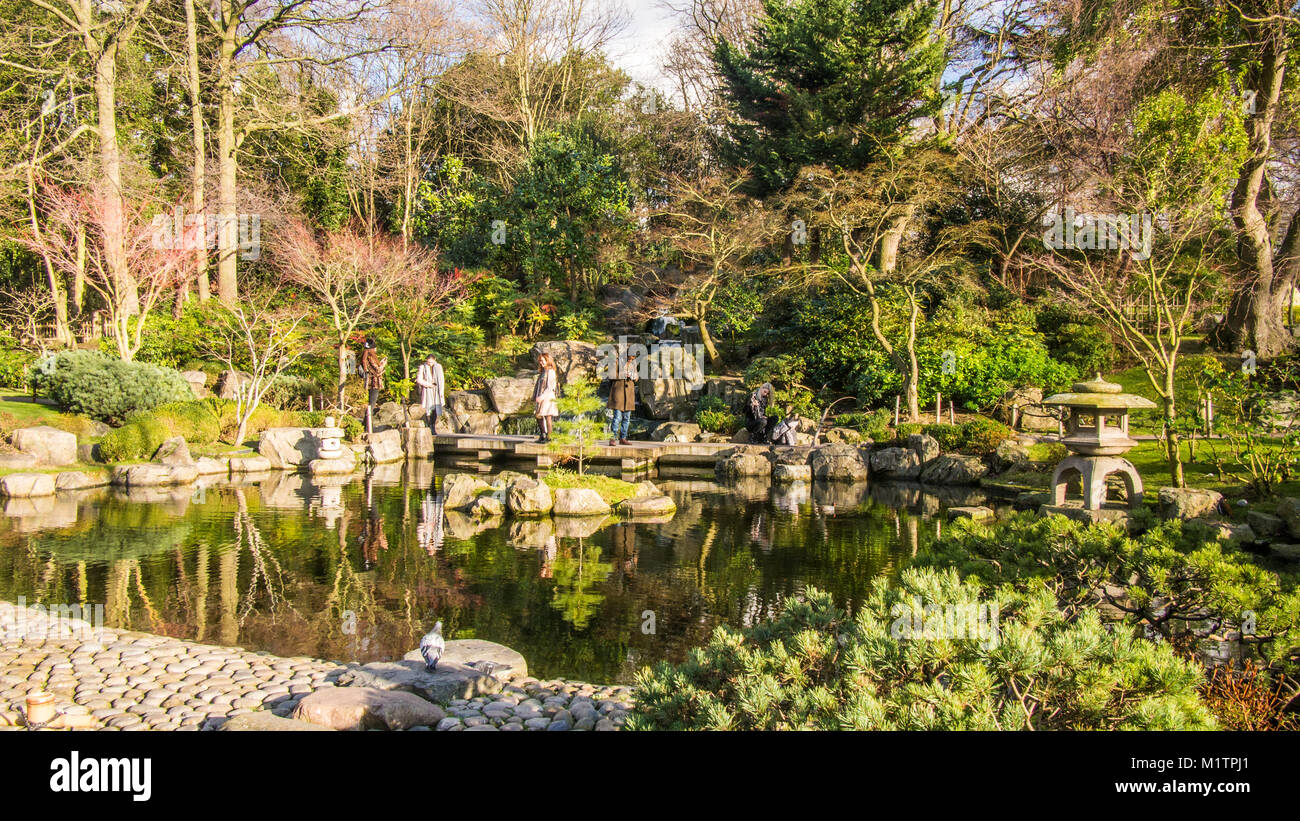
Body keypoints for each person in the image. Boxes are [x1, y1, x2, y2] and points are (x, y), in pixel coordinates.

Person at [607, 349, 637, 446]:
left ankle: (623, 438)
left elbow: (637, 377)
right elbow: (611, 376)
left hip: (629, 395)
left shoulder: (633, 364)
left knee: (626, 418)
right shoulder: (616, 362)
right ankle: (612, 438)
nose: (631, 360)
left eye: (633, 358)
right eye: (630, 358)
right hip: (618, 394)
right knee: (617, 417)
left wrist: (633, 376)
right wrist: (622, 375)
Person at [415, 352, 445, 433]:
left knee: (435, 408)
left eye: (431, 362)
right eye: (428, 362)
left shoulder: (438, 367)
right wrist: (429, 385)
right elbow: (419, 380)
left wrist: (441, 391)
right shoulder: (422, 367)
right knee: (428, 409)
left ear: (434, 360)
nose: (430, 364)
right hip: (428, 390)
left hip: (437, 390)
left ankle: (433, 426)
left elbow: (441, 379)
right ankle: (429, 426)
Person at [533, 352, 558, 443]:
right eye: (540, 361)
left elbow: (550, 387)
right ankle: (543, 434)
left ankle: (549, 437)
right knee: (538, 415)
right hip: (541, 396)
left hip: (547, 396)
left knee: (548, 416)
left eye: (542, 361)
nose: (541, 362)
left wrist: (542, 397)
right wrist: (537, 396)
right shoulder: (543, 372)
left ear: (547, 360)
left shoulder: (550, 371)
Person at [360, 336, 386, 426]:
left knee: (371, 403)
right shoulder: (370, 357)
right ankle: (367, 425)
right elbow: (377, 370)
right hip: (374, 382)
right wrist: (383, 364)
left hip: (370, 382)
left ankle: (365, 424)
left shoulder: (365, 357)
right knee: (372, 403)